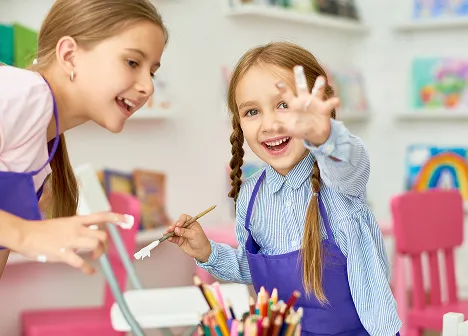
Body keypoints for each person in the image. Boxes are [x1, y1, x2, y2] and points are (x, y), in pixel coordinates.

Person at [166, 42, 402, 335]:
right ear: (238, 123)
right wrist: (208, 252)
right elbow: (252, 269)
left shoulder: (341, 179)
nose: (269, 124)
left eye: (284, 105)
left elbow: (348, 158)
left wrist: (324, 135)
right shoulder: (250, 196)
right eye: (252, 111)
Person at [0, 0, 167, 278]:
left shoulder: (43, 152)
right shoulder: (19, 93)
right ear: (69, 55)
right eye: (132, 62)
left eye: (151, 72)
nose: (148, 87)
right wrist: (26, 233)